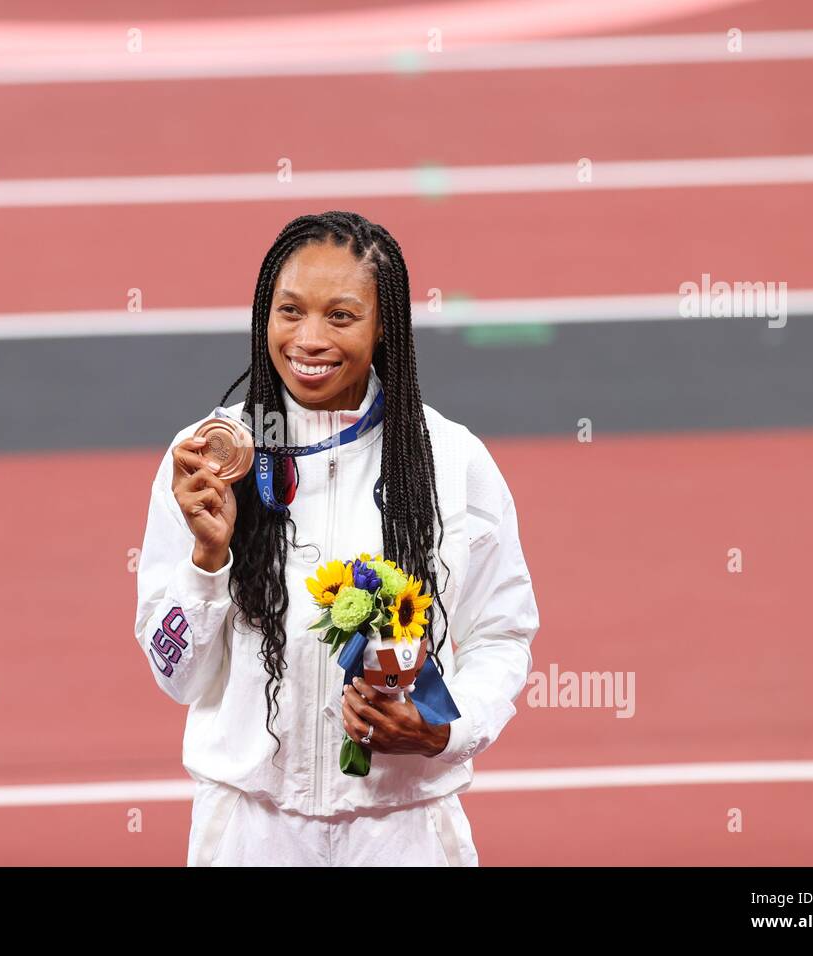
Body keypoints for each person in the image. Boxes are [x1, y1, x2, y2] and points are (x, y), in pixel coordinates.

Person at [134, 211, 539, 866]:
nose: (309, 339)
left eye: (342, 316)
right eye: (289, 311)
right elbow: (172, 675)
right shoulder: (208, 462)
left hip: (400, 828)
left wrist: (446, 727)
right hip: (248, 828)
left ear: (384, 328)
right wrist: (207, 564)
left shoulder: (450, 462)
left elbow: (501, 634)